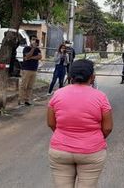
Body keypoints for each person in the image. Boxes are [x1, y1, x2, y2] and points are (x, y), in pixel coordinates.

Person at [47, 59, 113, 188]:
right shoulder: (101, 97)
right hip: (91, 152)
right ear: (92, 77)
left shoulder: (57, 94)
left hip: (60, 151)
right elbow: (108, 127)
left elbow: (51, 123)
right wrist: (95, 138)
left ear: (70, 76)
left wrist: (64, 135)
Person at [20, 36, 42, 106]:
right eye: (33, 40)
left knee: (30, 86)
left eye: (35, 40)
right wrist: (32, 49)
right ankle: (21, 100)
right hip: (26, 69)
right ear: (30, 40)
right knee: (24, 85)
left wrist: (30, 58)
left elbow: (39, 57)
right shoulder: (26, 48)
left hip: (34, 69)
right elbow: (27, 55)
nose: (34, 41)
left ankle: (27, 100)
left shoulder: (38, 49)